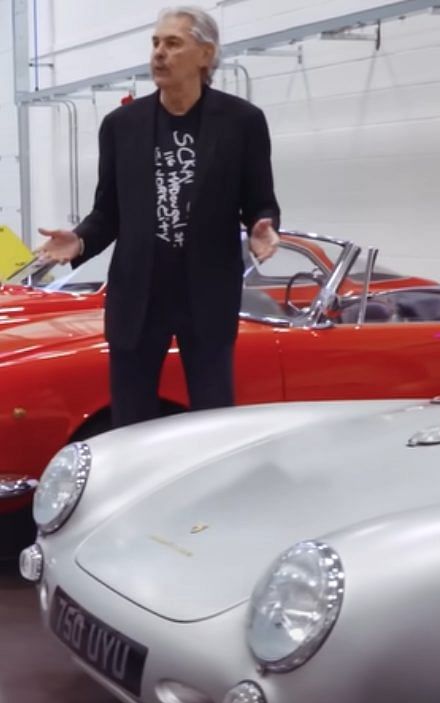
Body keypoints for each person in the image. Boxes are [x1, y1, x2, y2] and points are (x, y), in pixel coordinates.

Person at [34, 6, 280, 427]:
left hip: (207, 294)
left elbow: (260, 200)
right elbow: (108, 212)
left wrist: (263, 227)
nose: (159, 54)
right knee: (130, 418)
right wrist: (80, 241)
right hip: (138, 295)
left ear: (205, 54)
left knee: (213, 415)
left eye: (172, 43)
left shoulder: (242, 122)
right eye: (155, 43)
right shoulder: (121, 125)